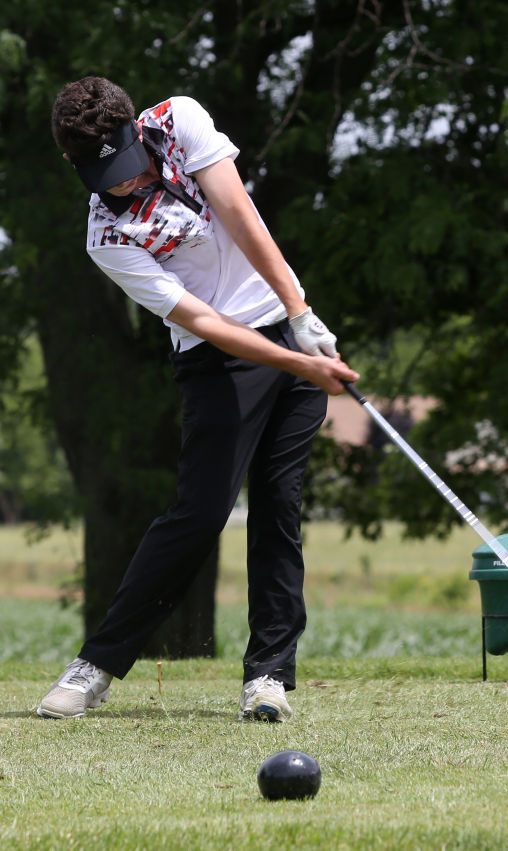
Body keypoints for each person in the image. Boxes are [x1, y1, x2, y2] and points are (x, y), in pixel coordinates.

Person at [37, 76, 357, 722]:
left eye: (125, 165)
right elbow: (207, 324)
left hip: (287, 326)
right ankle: (95, 664)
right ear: (73, 164)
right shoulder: (108, 236)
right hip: (217, 363)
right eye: (103, 177)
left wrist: (299, 313)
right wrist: (299, 359)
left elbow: (239, 212)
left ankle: (268, 676)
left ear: (135, 130)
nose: (122, 183)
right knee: (200, 513)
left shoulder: (180, 121)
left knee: (279, 509)